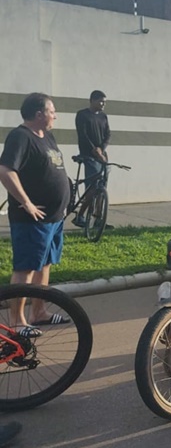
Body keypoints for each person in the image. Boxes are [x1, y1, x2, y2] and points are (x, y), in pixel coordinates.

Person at [0, 93, 71, 331]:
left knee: (45, 264)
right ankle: (17, 321)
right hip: (32, 219)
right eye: (52, 111)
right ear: (39, 114)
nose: (55, 116)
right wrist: (27, 202)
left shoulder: (47, 136)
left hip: (54, 217)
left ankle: (39, 312)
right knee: (25, 269)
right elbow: (6, 170)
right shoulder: (20, 137)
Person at [73, 90, 111, 227]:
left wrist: (101, 149)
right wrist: (95, 151)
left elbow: (107, 135)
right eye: (100, 101)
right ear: (92, 100)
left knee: (102, 188)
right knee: (93, 188)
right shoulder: (82, 115)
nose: (103, 104)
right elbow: (83, 136)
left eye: (104, 102)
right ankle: (80, 215)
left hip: (102, 156)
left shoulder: (103, 117)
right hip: (89, 156)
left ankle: (99, 220)